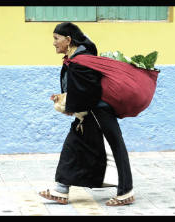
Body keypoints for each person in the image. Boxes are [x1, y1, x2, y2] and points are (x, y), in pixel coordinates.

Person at [39, 22, 134, 206]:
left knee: (114, 148)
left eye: (56, 39)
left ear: (68, 39)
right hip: (88, 112)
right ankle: (61, 189)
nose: (54, 43)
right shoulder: (77, 58)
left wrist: (70, 106)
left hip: (98, 112)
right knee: (73, 146)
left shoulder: (81, 60)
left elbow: (90, 91)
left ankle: (125, 192)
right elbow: (79, 89)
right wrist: (65, 100)